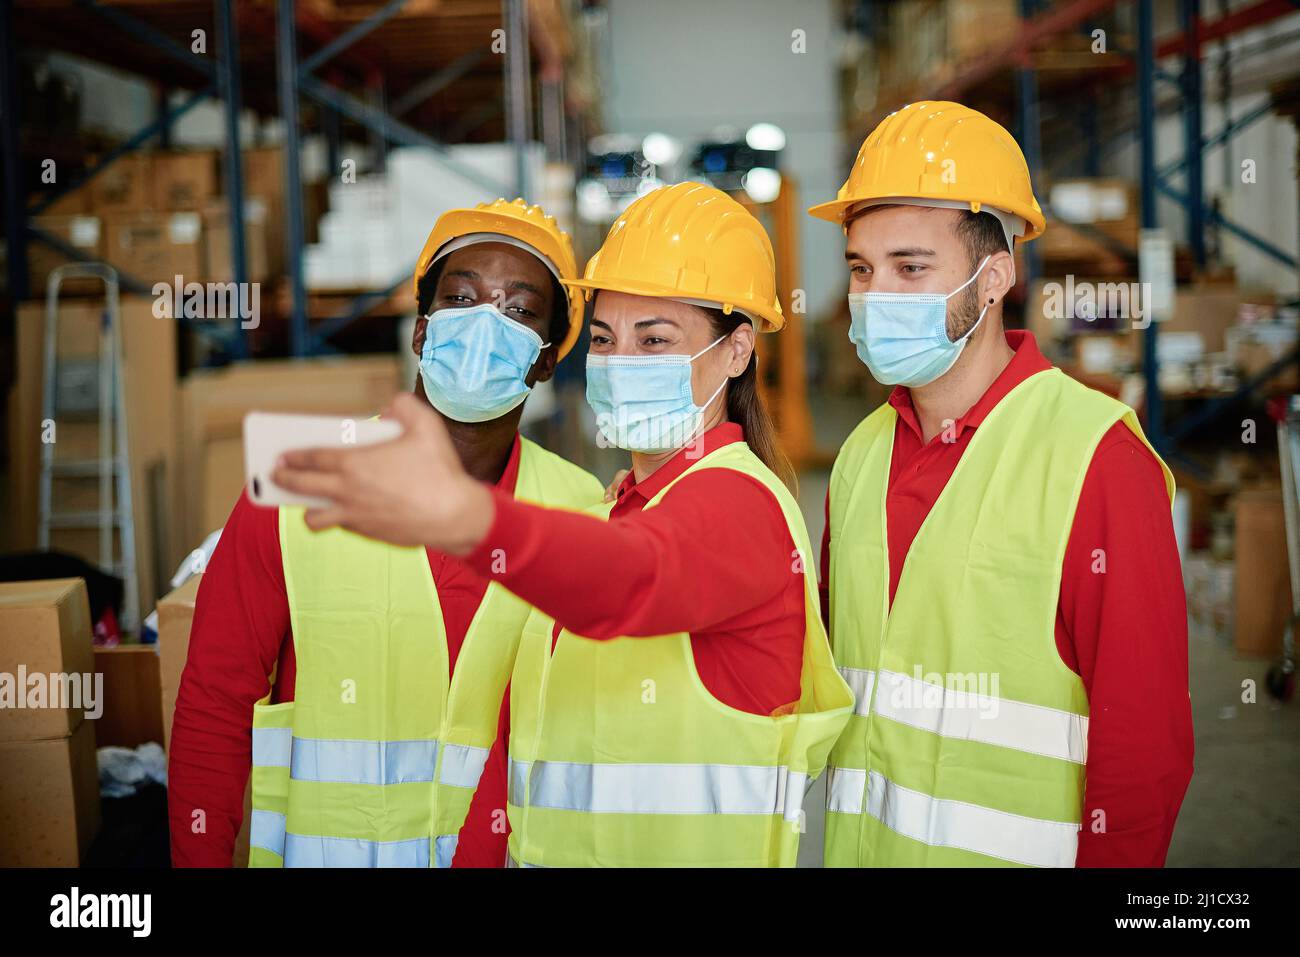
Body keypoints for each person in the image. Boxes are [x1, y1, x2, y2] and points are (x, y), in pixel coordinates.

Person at [273, 182, 854, 867]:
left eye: (656, 339)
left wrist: (469, 516)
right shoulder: (615, 507)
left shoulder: (742, 506)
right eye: (605, 339)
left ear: (736, 351)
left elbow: (632, 578)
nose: (621, 362)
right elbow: (522, 745)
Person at [809, 101, 1193, 867]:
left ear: (994, 278)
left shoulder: (1095, 457)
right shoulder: (858, 455)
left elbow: (1143, 744)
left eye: (911, 267)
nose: (875, 293)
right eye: (861, 267)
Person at [168, 198, 605, 868]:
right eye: (461, 299)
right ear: (422, 331)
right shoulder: (298, 480)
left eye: (519, 310)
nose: (486, 323)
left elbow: (576, 738)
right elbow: (213, 703)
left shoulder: (580, 512)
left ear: (546, 361)